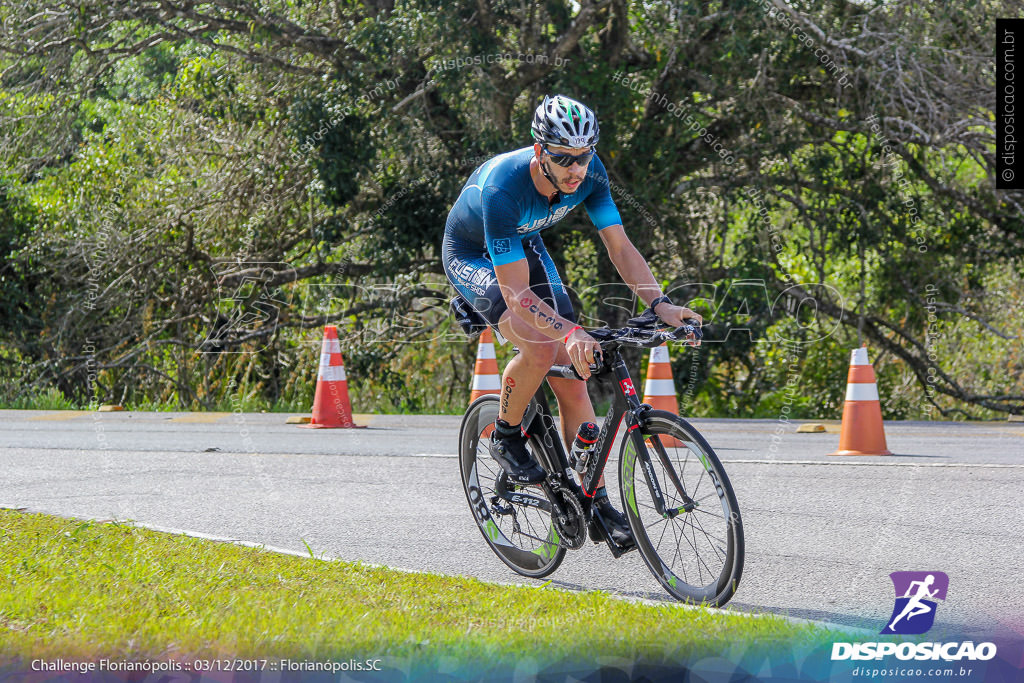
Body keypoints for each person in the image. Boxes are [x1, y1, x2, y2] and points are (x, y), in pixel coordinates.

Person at [443, 95, 701, 547]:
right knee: (543, 345)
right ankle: (506, 434)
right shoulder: (504, 188)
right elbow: (518, 296)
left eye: (583, 156)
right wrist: (571, 331)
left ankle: (595, 500)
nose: (575, 168)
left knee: (575, 375)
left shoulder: (591, 173)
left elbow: (620, 247)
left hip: (523, 242)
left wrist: (661, 305)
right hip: (471, 253)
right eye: (563, 157)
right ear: (539, 150)